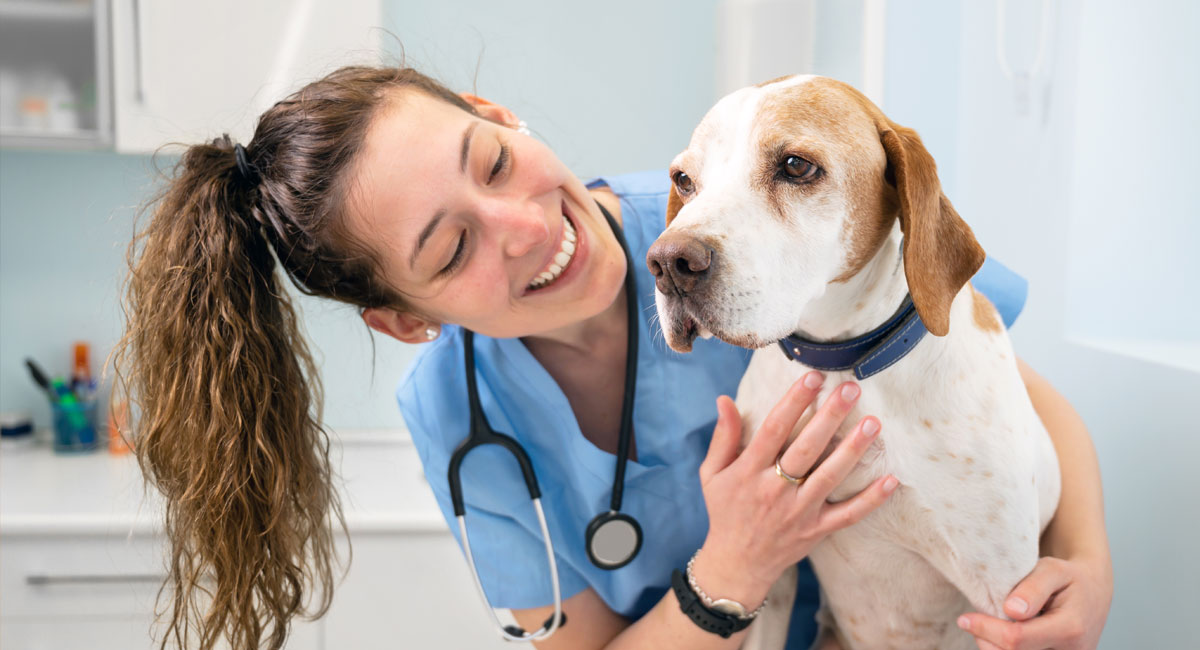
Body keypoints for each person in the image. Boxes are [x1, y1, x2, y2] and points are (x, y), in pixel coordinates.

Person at [115, 65, 1113, 650]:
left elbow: (1002, 389)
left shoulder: (704, 229)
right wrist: (734, 561)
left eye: (494, 161)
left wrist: (1090, 562)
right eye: (452, 249)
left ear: (500, 115)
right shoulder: (459, 417)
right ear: (407, 319)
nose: (521, 223)